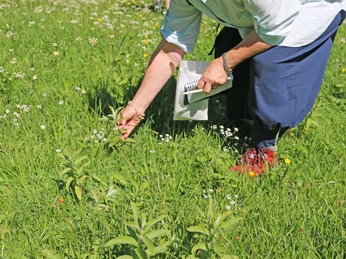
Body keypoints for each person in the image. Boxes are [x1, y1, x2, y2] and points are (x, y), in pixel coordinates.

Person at [118, 0, 346, 176]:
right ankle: (242, 119)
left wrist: (225, 63)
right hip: (268, 15)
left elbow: (278, 28)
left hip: (308, 11)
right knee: (228, 43)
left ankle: (265, 150)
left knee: (271, 63)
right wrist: (137, 107)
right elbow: (171, 48)